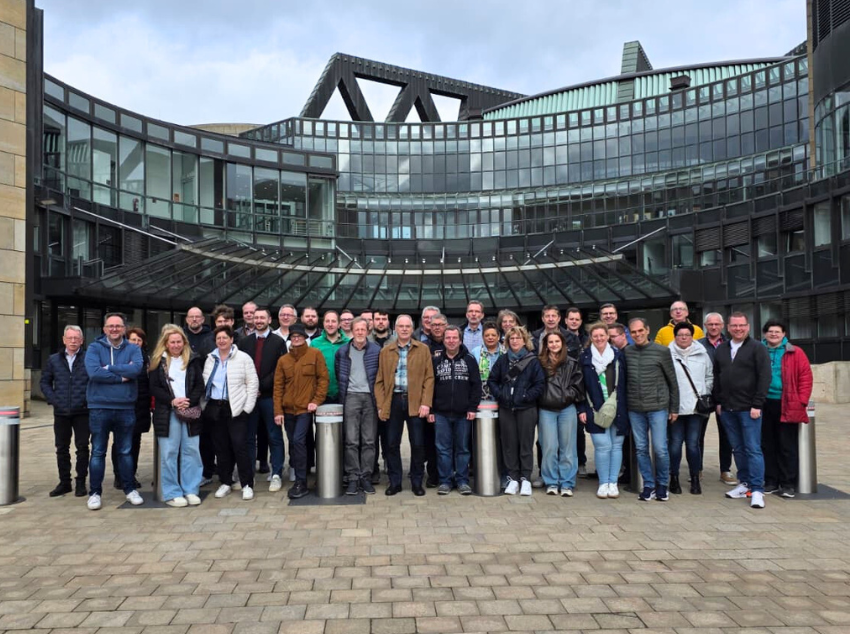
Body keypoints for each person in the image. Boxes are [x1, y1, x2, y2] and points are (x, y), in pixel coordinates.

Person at [84, 313, 144, 510]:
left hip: (125, 407)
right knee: (98, 451)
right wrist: (120, 376)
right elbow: (94, 372)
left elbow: (135, 370)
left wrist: (108, 367)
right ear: (104, 328)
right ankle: (94, 493)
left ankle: (129, 489)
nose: (114, 329)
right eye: (111, 326)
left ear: (124, 329)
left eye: (118, 326)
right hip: (99, 407)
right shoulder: (94, 348)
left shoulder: (134, 348)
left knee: (125, 451)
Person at [713, 312, 771, 509]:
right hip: (728, 408)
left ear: (748, 326)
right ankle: (744, 483)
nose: (738, 329)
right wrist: (719, 402)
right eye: (734, 326)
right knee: (737, 448)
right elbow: (717, 377)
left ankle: (757, 490)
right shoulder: (721, 349)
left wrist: (757, 404)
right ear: (728, 328)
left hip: (749, 409)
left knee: (753, 449)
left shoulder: (758, 348)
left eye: (742, 325)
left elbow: (764, 378)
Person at [374, 314, 434, 496]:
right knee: (391, 444)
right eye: (401, 326)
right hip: (393, 401)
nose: (405, 329)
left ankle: (416, 481)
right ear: (396, 328)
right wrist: (380, 404)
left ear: (412, 328)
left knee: (417, 444)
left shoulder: (423, 349)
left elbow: (429, 378)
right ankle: (395, 482)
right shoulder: (386, 351)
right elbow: (379, 381)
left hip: (415, 401)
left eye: (408, 326)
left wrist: (426, 403)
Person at [148, 325, 205, 507]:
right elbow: (154, 387)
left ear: (184, 342)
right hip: (167, 412)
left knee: (192, 451)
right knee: (169, 453)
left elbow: (199, 385)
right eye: (172, 342)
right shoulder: (158, 361)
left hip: (190, 411)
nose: (175, 345)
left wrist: (189, 401)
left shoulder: (193, 360)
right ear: (165, 343)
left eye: (178, 341)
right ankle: (172, 492)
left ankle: (191, 489)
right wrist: (172, 401)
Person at [624, 317, 679, 502]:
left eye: (640, 330)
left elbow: (673, 381)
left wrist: (674, 408)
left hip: (657, 407)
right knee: (641, 448)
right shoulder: (627, 352)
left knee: (660, 448)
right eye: (633, 332)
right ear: (629, 334)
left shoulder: (662, 351)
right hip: (635, 408)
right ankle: (648, 484)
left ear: (647, 330)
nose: (638, 334)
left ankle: (662, 484)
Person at [488, 326, 545, 496]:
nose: (514, 341)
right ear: (507, 341)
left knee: (525, 444)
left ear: (524, 340)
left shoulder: (532, 361)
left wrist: (526, 396)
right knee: (509, 445)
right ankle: (513, 478)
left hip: (526, 408)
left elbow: (540, 384)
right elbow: (492, 380)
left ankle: (525, 478)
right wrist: (501, 395)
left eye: (518, 338)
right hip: (506, 408)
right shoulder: (503, 360)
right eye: (511, 338)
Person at [273, 323, 329, 499]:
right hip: (288, 409)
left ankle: (301, 481)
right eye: (293, 337)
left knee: (298, 441)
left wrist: (316, 401)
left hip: (305, 408)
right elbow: (278, 387)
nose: (296, 339)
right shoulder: (284, 360)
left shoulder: (315, 354)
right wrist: (278, 411)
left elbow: (323, 379)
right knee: (296, 442)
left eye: (299, 336)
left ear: (305, 338)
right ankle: (304, 472)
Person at [203, 326, 259, 501]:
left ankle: (247, 484)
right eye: (218, 338)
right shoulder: (210, 359)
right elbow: (205, 383)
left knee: (240, 447)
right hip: (215, 409)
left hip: (236, 409)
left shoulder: (243, 358)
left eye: (224, 338)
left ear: (231, 339)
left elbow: (252, 383)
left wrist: (247, 408)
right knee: (221, 448)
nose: (221, 341)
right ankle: (226, 482)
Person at [761, 319, 813, 498]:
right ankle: (770, 481)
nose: (773, 334)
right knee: (767, 444)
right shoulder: (759, 350)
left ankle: (788, 483)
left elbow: (805, 377)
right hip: (763, 403)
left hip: (787, 403)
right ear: (765, 334)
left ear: (784, 334)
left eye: (777, 331)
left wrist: (801, 401)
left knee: (786, 445)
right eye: (770, 331)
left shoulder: (795, 352)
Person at [238, 308, 287, 492]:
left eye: (262, 317)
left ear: (269, 319)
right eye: (256, 317)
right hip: (249, 397)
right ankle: (248, 474)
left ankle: (276, 473)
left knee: (274, 436)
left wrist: (260, 386)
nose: (258, 320)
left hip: (269, 397)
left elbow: (279, 370)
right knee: (248, 437)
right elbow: (240, 368)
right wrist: (252, 388)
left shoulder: (278, 342)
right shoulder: (244, 342)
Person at [429, 325, 482, 496]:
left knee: (462, 449)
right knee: (443, 448)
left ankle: (462, 481)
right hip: (441, 413)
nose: (451, 341)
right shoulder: (436, 360)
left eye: (454, 338)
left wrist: (473, 407)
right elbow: (430, 386)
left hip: (463, 413)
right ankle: (445, 481)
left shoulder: (469, 360)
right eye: (448, 338)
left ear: (460, 340)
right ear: (443, 340)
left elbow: (476, 386)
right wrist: (430, 409)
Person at [578, 323, 629, 499]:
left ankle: (612, 483)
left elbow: (626, 383)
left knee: (616, 446)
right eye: (595, 336)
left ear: (608, 336)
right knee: (602, 445)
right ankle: (603, 483)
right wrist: (582, 408)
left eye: (602, 335)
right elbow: (580, 386)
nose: (599, 339)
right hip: (595, 407)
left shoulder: (618, 356)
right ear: (591, 338)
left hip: (618, 406)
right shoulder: (584, 358)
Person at [41, 325, 90, 498]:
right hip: (61, 412)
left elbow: (94, 381)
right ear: (64, 340)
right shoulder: (54, 359)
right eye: (70, 338)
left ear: (82, 341)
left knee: (82, 447)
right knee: (61, 448)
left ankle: (81, 483)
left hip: (82, 411)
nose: (73, 341)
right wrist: (54, 400)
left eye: (76, 338)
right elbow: (45, 382)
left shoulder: (88, 358)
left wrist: (87, 400)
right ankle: (64, 482)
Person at [536, 331, 584, 497]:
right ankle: (551, 481)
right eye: (551, 342)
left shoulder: (571, 362)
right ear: (546, 344)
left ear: (562, 343)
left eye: (557, 341)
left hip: (566, 409)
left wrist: (565, 396)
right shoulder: (540, 363)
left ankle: (567, 483)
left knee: (568, 447)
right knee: (549, 446)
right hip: (546, 409)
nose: (554, 344)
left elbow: (578, 385)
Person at [336, 317, 380, 495]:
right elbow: (340, 375)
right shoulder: (342, 351)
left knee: (369, 440)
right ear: (352, 331)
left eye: (363, 329)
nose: (360, 332)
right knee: (351, 440)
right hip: (351, 397)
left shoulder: (376, 350)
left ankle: (366, 476)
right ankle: (353, 476)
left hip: (370, 397)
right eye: (357, 329)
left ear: (368, 331)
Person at [668, 322, 713, 495]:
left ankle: (695, 478)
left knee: (693, 445)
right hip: (676, 408)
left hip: (696, 408)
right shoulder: (668, 354)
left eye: (687, 334)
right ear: (675, 337)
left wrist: (704, 392)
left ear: (692, 336)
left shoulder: (702, 353)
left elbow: (710, 376)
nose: (684, 338)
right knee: (675, 445)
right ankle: (674, 478)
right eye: (680, 335)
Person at [698, 312, 736, 485]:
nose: (713, 327)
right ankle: (697, 468)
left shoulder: (731, 345)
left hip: (724, 395)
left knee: (726, 434)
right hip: (703, 395)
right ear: (705, 326)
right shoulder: (697, 345)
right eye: (710, 324)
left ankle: (725, 470)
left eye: (717, 324)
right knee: (697, 434)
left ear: (722, 326)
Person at [111, 327, 151, 492]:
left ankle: (131, 474)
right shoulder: (120, 357)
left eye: (139, 340)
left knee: (135, 442)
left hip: (141, 406)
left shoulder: (147, 359)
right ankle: (119, 475)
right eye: (133, 339)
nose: (136, 343)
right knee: (120, 442)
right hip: (123, 405)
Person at [423, 313, 448, 486]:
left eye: (441, 324)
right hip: (431, 402)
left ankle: (449, 474)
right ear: (429, 327)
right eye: (434, 325)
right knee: (431, 442)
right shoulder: (423, 347)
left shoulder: (454, 343)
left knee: (449, 442)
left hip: (451, 402)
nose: (437, 327)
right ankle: (433, 475)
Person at [312, 310, 350, 404]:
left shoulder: (348, 343)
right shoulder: (315, 343)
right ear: (323, 323)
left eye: (333, 321)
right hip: (320, 394)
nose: (330, 324)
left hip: (343, 393)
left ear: (339, 324)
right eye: (327, 321)